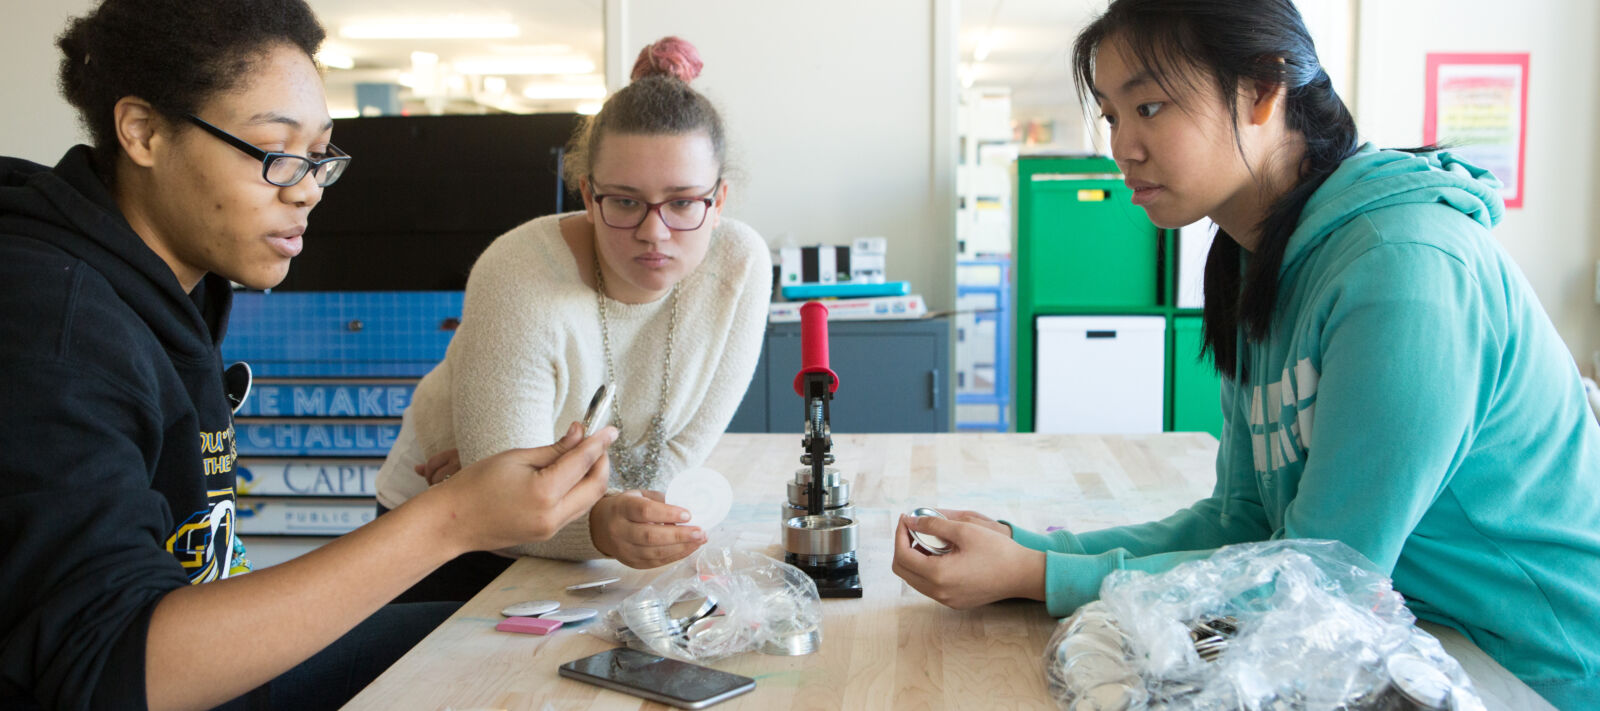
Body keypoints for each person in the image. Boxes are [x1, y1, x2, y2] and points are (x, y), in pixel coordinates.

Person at [890, 0, 1600, 706]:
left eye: (1151, 107)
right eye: (1111, 114)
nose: (1122, 147)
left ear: (1263, 90)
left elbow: (1327, 582)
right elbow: (1241, 523)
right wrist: (1035, 551)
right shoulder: (1251, 256)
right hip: (1410, 645)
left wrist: (1035, 577)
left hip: (1530, 673)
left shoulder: (1403, 270)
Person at [0, 1, 615, 708]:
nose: (307, 190)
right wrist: (453, 518)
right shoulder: (53, 322)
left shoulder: (170, 285)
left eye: (319, 156)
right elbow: (105, 666)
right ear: (142, 131)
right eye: (275, 153)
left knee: (534, 640)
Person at [372, 36, 771, 601]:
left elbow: (677, 456)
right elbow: (503, 508)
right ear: (588, 195)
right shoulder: (520, 274)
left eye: (683, 202)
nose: (654, 233)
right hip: (441, 539)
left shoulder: (741, 266)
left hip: (590, 545)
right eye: (625, 202)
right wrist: (595, 520)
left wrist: (580, 503)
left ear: (720, 200)